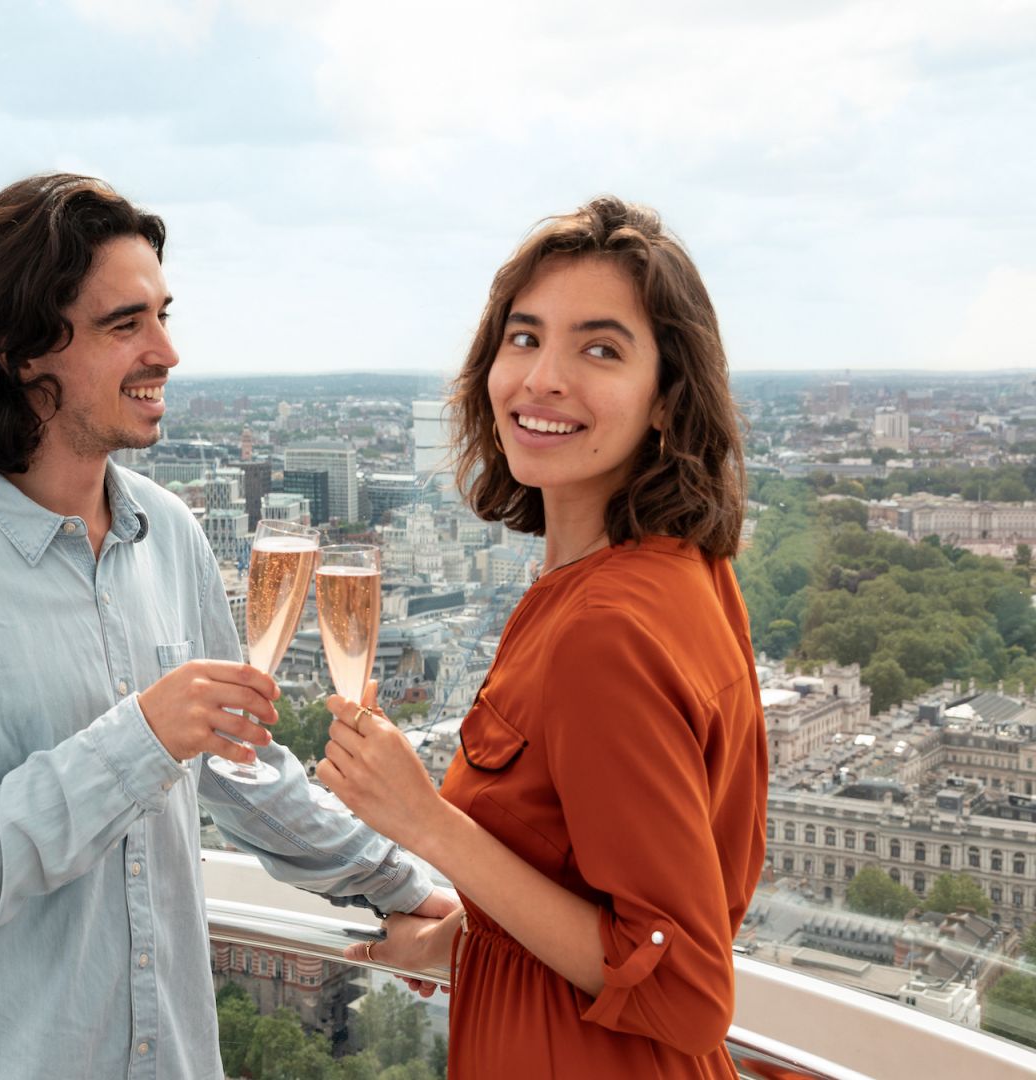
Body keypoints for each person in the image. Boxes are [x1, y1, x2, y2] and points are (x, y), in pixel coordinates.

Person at [0, 173, 452, 1080]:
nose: (166, 351)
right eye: (125, 324)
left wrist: (406, 888)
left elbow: (242, 769)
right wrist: (142, 735)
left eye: (163, 315)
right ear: (20, 351)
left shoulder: (167, 534)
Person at [318, 196, 767, 1077]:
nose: (541, 378)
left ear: (669, 401)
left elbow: (684, 991)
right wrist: (464, 944)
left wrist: (425, 822)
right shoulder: (678, 573)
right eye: (523, 338)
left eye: (599, 349)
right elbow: (595, 900)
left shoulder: (604, 630)